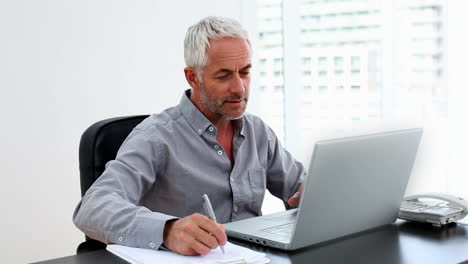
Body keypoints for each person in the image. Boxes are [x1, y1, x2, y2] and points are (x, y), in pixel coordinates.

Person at [73, 16, 305, 256]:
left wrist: (312, 196)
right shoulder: (155, 137)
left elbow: (300, 186)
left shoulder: (258, 132)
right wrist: (167, 230)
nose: (239, 88)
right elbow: (92, 208)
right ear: (193, 77)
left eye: (245, 72)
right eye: (224, 75)